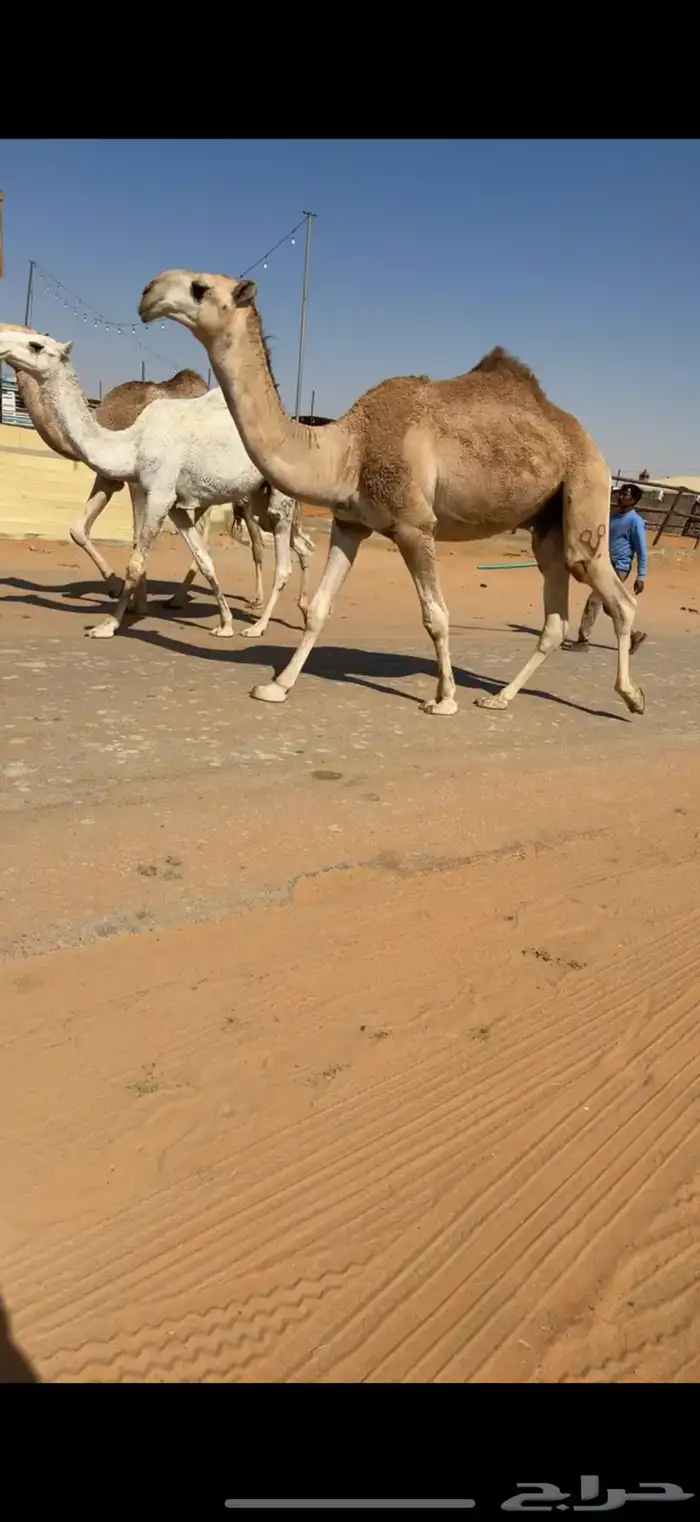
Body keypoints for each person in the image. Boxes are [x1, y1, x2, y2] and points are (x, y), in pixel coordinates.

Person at [574, 483, 647, 652]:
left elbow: (642, 551)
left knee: (594, 600)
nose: (620, 497)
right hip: (604, 564)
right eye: (620, 493)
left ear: (634, 500)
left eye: (625, 495)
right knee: (610, 605)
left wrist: (641, 576)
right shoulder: (613, 517)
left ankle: (583, 640)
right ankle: (633, 635)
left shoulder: (635, 522)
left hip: (619, 567)